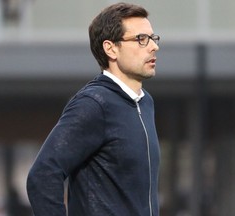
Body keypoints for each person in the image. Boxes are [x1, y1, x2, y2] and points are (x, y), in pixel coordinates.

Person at [27, 2, 160, 216]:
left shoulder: (145, 102)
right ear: (111, 48)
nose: (154, 46)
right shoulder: (94, 104)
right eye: (141, 39)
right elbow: (43, 175)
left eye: (153, 38)